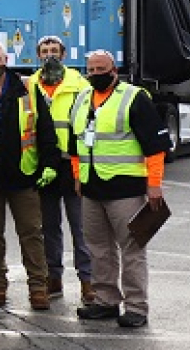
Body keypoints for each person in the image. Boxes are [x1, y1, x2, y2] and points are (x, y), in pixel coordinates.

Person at [69, 50, 171, 329]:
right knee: (98, 248)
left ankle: (137, 307)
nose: (96, 74)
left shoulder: (134, 97)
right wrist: (78, 177)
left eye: (102, 69)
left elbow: (155, 147)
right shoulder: (80, 99)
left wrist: (154, 185)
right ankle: (105, 301)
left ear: (114, 70)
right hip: (91, 189)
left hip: (126, 189)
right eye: (91, 69)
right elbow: (75, 144)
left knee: (132, 249)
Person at [0, 39, 61, 310]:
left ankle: (38, 287)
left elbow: (45, 129)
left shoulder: (28, 88)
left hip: (23, 175)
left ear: (6, 59)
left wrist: (50, 163)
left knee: (31, 232)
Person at [27, 35, 94, 304]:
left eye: (54, 50)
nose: (49, 54)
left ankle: (88, 281)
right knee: (49, 226)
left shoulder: (80, 84)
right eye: (44, 51)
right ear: (37, 55)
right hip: (45, 166)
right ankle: (53, 277)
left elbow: (89, 124)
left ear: (64, 55)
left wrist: (83, 165)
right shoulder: (30, 85)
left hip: (72, 163)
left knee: (81, 226)